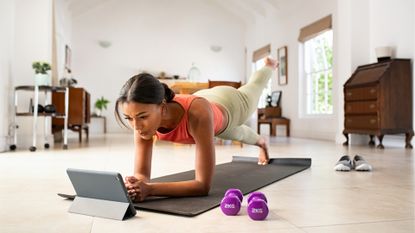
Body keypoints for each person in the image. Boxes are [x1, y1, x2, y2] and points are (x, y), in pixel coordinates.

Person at [115, 57, 279, 202]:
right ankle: (262, 142)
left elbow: (202, 185)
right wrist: (136, 184)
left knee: (253, 88)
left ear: (163, 108)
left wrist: (150, 190)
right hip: (212, 114)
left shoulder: (198, 115)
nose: (136, 126)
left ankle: (269, 65)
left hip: (230, 104)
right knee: (239, 133)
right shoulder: (142, 122)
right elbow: (142, 176)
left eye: (143, 117)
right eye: (129, 118)